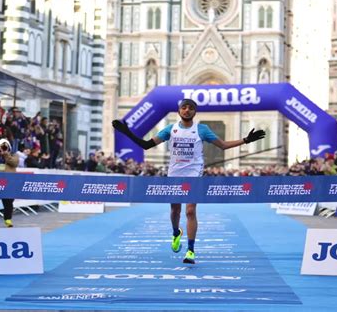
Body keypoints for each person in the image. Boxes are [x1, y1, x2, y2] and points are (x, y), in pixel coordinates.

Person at [112, 98, 265, 264]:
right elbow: (146, 145)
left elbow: (223, 145)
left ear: (194, 112)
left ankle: (190, 251)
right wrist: (127, 132)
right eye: (183, 107)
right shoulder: (171, 129)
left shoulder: (202, 129)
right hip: (174, 173)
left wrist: (246, 140)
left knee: (190, 211)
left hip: (194, 173)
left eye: (190, 108)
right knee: (175, 210)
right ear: (179, 111)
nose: (187, 110)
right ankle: (176, 232)